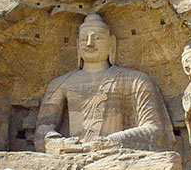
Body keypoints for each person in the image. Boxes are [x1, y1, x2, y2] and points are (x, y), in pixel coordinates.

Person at [34, 13, 175, 152]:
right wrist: (60, 144)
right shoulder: (60, 83)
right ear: (77, 45)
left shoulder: (136, 80)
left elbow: (155, 131)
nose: (89, 43)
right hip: (72, 153)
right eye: (84, 39)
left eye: (97, 38)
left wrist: (113, 141)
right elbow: (42, 132)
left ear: (111, 43)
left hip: (117, 155)